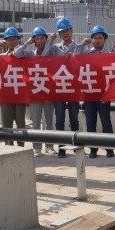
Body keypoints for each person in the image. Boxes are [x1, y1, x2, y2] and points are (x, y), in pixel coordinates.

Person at [13, 26, 64, 158]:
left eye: (42, 38)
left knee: (48, 121)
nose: (40, 41)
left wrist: (51, 43)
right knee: (36, 121)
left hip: (49, 90)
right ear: (34, 41)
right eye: (37, 39)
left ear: (46, 39)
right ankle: (37, 147)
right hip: (35, 91)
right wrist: (26, 43)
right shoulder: (31, 54)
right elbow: (16, 54)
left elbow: (59, 57)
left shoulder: (53, 50)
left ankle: (49, 146)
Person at [74, 25, 115, 159]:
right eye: (95, 38)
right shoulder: (86, 54)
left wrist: (109, 94)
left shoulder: (108, 55)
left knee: (106, 122)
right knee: (90, 123)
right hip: (89, 94)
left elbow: (113, 76)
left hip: (103, 95)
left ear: (104, 40)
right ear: (91, 39)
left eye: (100, 38)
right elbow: (75, 54)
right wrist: (82, 43)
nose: (97, 40)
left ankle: (109, 148)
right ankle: (93, 149)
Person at [51, 17, 81, 158]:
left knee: (74, 118)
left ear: (72, 31)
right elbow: (43, 56)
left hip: (73, 88)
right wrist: (50, 41)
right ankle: (61, 148)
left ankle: (76, 145)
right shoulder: (55, 48)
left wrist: (73, 56)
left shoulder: (78, 47)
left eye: (67, 30)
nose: (65, 33)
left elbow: (85, 60)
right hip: (59, 89)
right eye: (62, 31)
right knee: (59, 119)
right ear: (59, 33)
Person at [0, 27, 26, 147]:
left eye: (14, 39)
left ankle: (21, 146)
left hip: (20, 93)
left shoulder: (24, 55)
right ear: (5, 41)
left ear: (18, 40)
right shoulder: (2, 56)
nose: (12, 42)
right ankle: (9, 147)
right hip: (6, 94)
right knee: (6, 123)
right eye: (9, 39)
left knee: (20, 122)